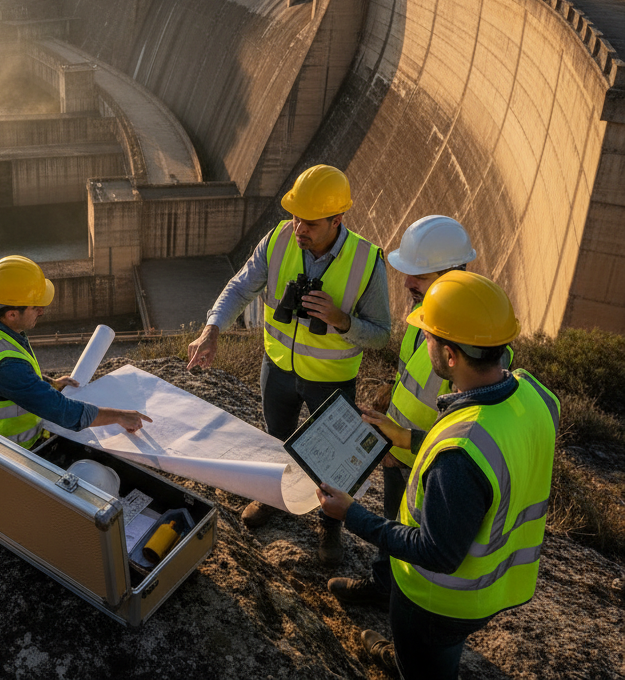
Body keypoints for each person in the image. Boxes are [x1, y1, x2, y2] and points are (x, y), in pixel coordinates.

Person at [316, 272, 560, 680]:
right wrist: (406, 437)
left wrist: (352, 514)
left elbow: (436, 552)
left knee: (424, 662)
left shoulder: (460, 454)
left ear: (449, 356)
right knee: (437, 655)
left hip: (437, 600)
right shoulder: (535, 395)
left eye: (427, 336)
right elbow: (492, 451)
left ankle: (408, 664)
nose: (422, 341)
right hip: (495, 585)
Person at [186, 164, 390, 564]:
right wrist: (212, 329)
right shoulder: (279, 239)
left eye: (310, 222)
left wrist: (341, 320)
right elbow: (241, 287)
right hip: (277, 369)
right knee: (275, 439)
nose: (299, 228)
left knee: (332, 461)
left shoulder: (368, 261)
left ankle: (330, 527)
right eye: (296, 217)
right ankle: (273, 498)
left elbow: (381, 334)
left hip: (331, 381)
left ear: (337, 220)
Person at [328, 215, 476, 608]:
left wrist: (406, 443)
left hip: (430, 466)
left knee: (419, 542)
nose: (407, 283)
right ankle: (383, 586)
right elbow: (411, 374)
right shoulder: (423, 314)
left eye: (419, 276)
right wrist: (389, 411)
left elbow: (468, 432)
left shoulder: (473, 341)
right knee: (393, 525)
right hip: (399, 450)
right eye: (407, 273)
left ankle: (406, 606)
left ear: (453, 274)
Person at [0, 254, 151, 449]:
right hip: (10, 450)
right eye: (36, 307)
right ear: (12, 314)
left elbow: (16, 377)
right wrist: (119, 416)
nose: (42, 311)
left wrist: (51, 383)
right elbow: (63, 412)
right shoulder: (6, 368)